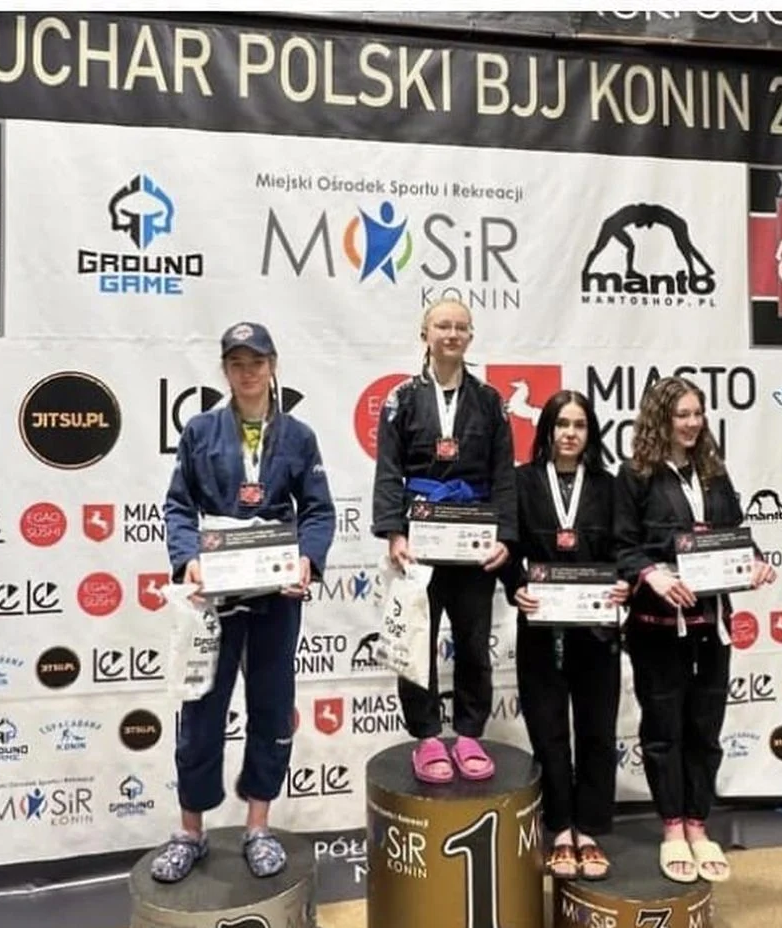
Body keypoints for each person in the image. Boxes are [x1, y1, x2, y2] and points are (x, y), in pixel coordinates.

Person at [152, 321, 336, 883]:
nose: (248, 371)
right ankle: (190, 831)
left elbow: (318, 511)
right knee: (201, 711)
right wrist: (188, 559)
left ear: (273, 365)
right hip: (215, 595)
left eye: (257, 361)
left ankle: (258, 826)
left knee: (272, 707)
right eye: (237, 363)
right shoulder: (200, 430)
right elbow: (179, 507)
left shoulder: (298, 436)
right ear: (225, 370)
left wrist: (308, 559)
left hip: (276, 595)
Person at [613, 375, 775, 884]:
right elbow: (622, 547)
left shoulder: (713, 472)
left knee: (705, 728)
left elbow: (735, 534)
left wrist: (755, 561)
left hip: (712, 625)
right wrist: (652, 574)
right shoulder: (635, 475)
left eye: (697, 414)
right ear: (660, 418)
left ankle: (698, 825)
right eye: (681, 414)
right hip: (657, 627)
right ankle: (672, 828)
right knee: (664, 730)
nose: (691, 423)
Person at [372, 297, 517, 784]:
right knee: (417, 641)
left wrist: (505, 536)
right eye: (443, 326)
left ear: (470, 336)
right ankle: (428, 736)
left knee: (474, 641)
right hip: (419, 541)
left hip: (473, 539)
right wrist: (394, 531)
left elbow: (504, 474)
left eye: (461, 327)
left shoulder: (491, 401)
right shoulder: (401, 399)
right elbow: (389, 470)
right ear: (425, 334)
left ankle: (470, 732)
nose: (452, 334)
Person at [501, 390, 629, 880]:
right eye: (562, 424)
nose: (570, 433)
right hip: (541, 625)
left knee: (597, 729)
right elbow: (507, 546)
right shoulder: (522, 482)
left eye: (579, 425)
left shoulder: (609, 486)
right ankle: (558, 828)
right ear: (547, 430)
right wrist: (515, 585)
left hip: (596, 628)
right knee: (549, 730)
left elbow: (625, 547)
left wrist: (626, 582)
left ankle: (590, 829)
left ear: (590, 433)